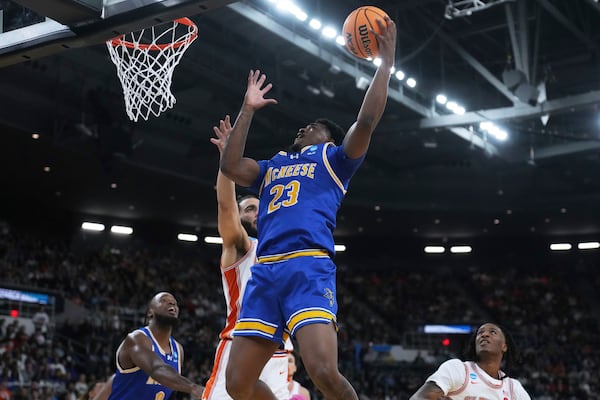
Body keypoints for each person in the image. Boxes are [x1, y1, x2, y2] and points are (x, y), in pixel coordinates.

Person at [218, 13, 397, 400]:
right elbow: (231, 166)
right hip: (266, 272)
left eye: (313, 126)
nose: (303, 128)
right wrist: (248, 109)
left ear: (328, 136)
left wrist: (387, 63)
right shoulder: (272, 166)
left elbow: (366, 121)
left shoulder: (335, 160)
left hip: (307, 265)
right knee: (236, 385)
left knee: (323, 373)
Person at [202, 116, 289, 400]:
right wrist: (227, 161)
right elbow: (226, 205)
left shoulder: (286, 251)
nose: (255, 213)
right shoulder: (241, 246)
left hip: (277, 357)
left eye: (258, 208)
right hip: (239, 346)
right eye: (249, 208)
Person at [105, 292, 204, 400]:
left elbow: (169, 391)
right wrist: (193, 388)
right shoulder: (136, 339)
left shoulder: (178, 349)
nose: (171, 303)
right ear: (150, 313)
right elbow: (156, 369)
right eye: (164, 300)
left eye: (175, 303)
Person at [409, 322, 531, 400]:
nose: (484, 335)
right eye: (480, 333)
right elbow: (419, 398)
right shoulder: (458, 369)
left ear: (504, 346)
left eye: (492, 332)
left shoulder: (513, 388)